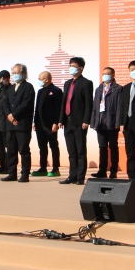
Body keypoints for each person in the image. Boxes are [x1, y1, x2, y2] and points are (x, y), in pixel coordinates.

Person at [60, 57, 93, 185]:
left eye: (74, 66)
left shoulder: (86, 83)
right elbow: (64, 102)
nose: (71, 68)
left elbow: (89, 104)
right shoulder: (67, 83)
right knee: (71, 151)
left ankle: (80, 177)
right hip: (67, 122)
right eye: (70, 66)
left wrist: (86, 120)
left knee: (80, 151)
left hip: (80, 123)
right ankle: (72, 176)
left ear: (81, 68)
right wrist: (61, 119)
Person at [0, 64, 34, 183]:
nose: (14, 75)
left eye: (17, 73)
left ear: (23, 74)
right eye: (13, 73)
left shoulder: (28, 87)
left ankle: (25, 174)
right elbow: (5, 103)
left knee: (24, 150)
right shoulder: (10, 88)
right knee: (11, 150)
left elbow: (26, 104)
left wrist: (14, 115)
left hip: (22, 123)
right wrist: (9, 115)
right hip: (10, 123)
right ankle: (12, 173)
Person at [90, 67, 121, 179]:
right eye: (104, 74)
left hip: (112, 123)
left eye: (108, 74)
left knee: (113, 147)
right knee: (102, 148)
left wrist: (118, 123)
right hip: (100, 123)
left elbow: (119, 107)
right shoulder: (98, 89)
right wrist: (93, 122)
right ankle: (102, 171)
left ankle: (113, 171)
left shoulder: (118, 89)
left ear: (113, 75)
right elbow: (95, 107)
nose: (105, 76)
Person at [32, 70, 63, 177]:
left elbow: (58, 108)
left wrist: (56, 122)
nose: (39, 81)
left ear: (46, 79)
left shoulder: (56, 90)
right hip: (40, 124)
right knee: (42, 147)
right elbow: (37, 108)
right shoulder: (40, 91)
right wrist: (35, 122)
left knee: (53, 146)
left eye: (40, 79)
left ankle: (55, 169)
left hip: (51, 125)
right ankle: (43, 168)